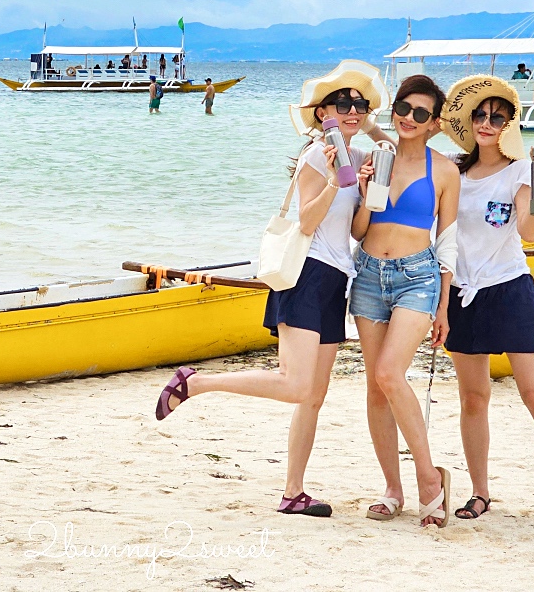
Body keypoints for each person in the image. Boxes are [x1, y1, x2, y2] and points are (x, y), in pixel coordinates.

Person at [153, 61, 394, 517]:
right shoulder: (314, 157)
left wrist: (372, 129)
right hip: (307, 274)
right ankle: (197, 382)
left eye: (358, 104)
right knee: (297, 385)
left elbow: (398, 153)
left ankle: (293, 492)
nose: (351, 110)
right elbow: (306, 221)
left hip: (337, 279)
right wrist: (331, 178)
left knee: (314, 396)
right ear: (321, 113)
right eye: (342, 104)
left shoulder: (360, 155)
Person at [439, 75, 534, 535]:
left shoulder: (521, 169)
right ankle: (480, 492)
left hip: (509, 290)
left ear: (510, 124)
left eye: (497, 116)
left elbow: (529, 232)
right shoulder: (453, 169)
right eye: (480, 115)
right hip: (462, 294)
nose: (487, 123)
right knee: (472, 398)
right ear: (469, 120)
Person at [350, 74, 460, 528]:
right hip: (369, 275)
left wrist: (444, 308)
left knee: (390, 374)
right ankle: (392, 491)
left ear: (434, 123)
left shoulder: (446, 170)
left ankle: (429, 479)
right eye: (403, 108)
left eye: (420, 113)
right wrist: (365, 191)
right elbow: (357, 231)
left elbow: (449, 242)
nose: (408, 118)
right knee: (376, 387)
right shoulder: (378, 160)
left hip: (419, 277)